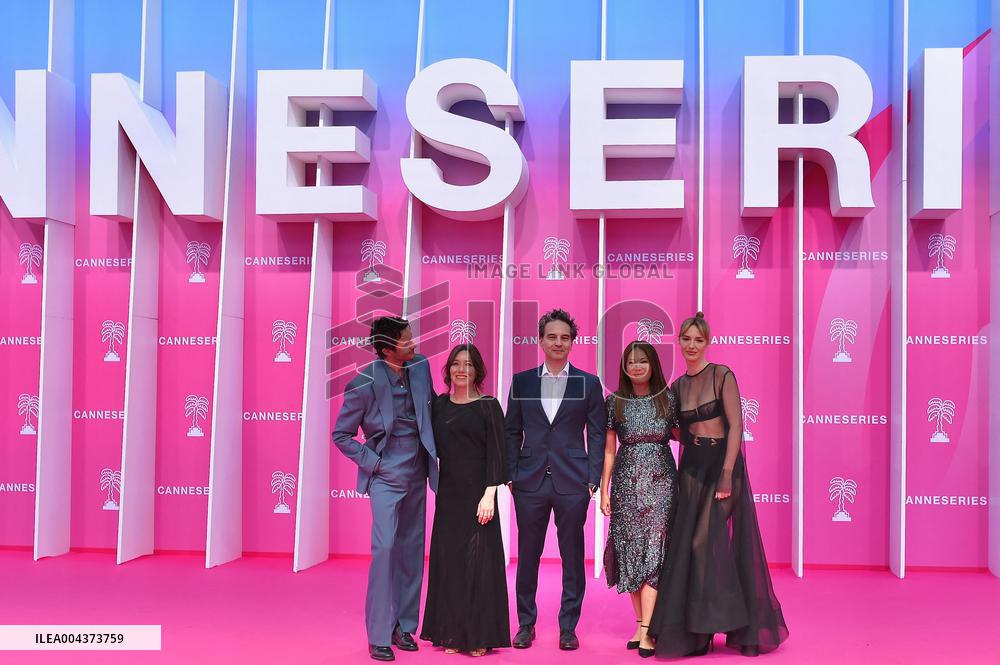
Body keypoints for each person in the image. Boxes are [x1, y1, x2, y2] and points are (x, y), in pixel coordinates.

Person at [647, 312, 788, 657]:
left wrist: (727, 472)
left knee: (703, 543)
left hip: (724, 467)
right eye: (686, 339)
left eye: (698, 340)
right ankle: (699, 632)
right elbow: (678, 432)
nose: (692, 345)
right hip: (692, 469)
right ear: (678, 342)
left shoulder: (722, 375)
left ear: (707, 343)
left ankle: (738, 623)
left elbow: (736, 427)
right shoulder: (678, 386)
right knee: (692, 550)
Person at [332, 316, 439, 662]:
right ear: (386, 349)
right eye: (407, 341)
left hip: (418, 473)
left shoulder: (421, 367)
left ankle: (402, 625)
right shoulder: (362, 383)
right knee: (384, 550)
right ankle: (377, 635)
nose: (414, 344)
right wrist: (374, 463)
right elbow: (341, 435)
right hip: (386, 477)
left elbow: (433, 409)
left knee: (412, 550)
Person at [504, 308, 606, 651]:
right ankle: (526, 624)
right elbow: (510, 431)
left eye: (565, 337)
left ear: (573, 342)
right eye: (552, 336)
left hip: (573, 483)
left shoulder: (589, 383)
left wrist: (592, 479)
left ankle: (568, 627)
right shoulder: (522, 381)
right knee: (527, 556)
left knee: (573, 557)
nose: (558, 342)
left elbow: (597, 434)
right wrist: (511, 474)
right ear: (540, 340)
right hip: (529, 482)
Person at [420, 344, 510, 656]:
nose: (462, 370)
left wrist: (490, 494)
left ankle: (479, 636)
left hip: (479, 496)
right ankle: (453, 633)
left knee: (479, 565)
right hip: (448, 497)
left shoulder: (489, 406)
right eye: (456, 364)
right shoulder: (440, 406)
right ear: (448, 370)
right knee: (450, 564)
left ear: (478, 372)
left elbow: (498, 454)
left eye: (468, 365)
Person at [600, 341, 679, 658]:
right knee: (630, 552)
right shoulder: (614, 402)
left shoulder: (668, 400)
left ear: (653, 365)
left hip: (661, 484)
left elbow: (682, 436)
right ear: (623, 367)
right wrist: (604, 490)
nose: (636, 366)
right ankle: (640, 624)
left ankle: (648, 630)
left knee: (654, 553)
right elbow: (608, 450)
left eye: (642, 361)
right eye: (630, 362)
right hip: (625, 485)